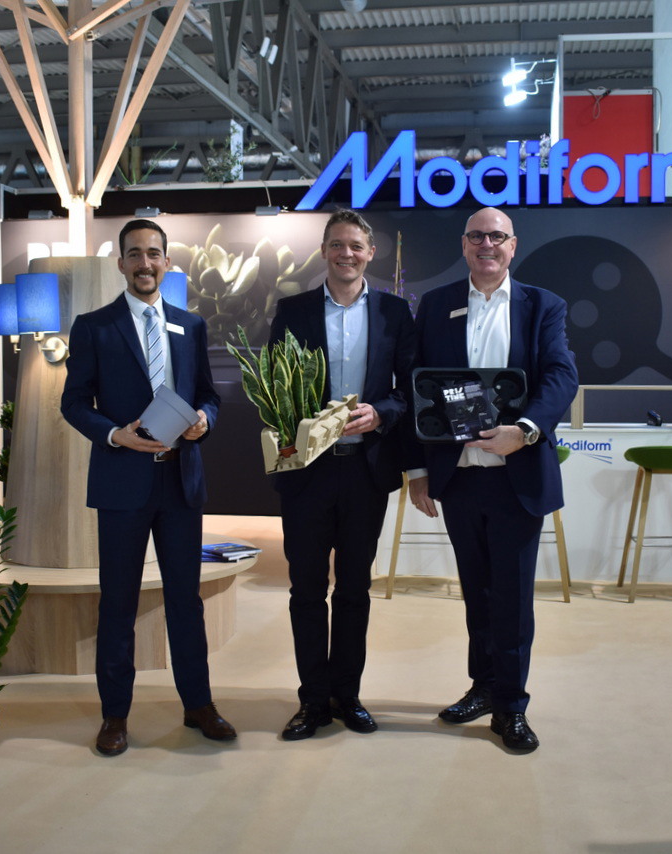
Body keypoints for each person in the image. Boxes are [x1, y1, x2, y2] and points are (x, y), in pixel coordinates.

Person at [406, 206, 579, 753]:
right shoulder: (436, 304)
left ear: (512, 245)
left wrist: (524, 431)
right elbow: (415, 386)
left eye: (497, 237)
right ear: (464, 245)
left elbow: (561, 375)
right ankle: (482, 687)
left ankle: (511, 706)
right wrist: (417, 470)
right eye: (477, 236)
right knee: (476, 594)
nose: (487, 245)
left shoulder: (542, 306)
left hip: (515, 479)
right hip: (458, 478)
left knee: (512, 598)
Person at [61, 218, 236, 756]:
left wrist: (205, 419)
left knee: (186, 601)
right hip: (122, 482)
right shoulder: (94, 327)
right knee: (118, 603)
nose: (145, 263)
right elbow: (73, 403)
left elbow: (208, 395)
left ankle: (198, 704)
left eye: (154, 253)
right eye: (134, 254)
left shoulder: (191, 324)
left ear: (167, 261)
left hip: (181, 482)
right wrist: (115, 435)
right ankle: (115, 716)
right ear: (120, 263)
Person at [268, 210, 417, 740]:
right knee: (306, 589)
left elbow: (408, 388)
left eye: (355, 245)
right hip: (307, 474)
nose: (346, 254)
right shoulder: (293, 311)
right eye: (336, 245)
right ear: (324, 251)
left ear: (369, 253)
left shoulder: (395, 312)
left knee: (354, 589)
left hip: (365, 470)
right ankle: (312, 701)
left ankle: (346, 696)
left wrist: (382, 413)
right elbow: (275, 386)